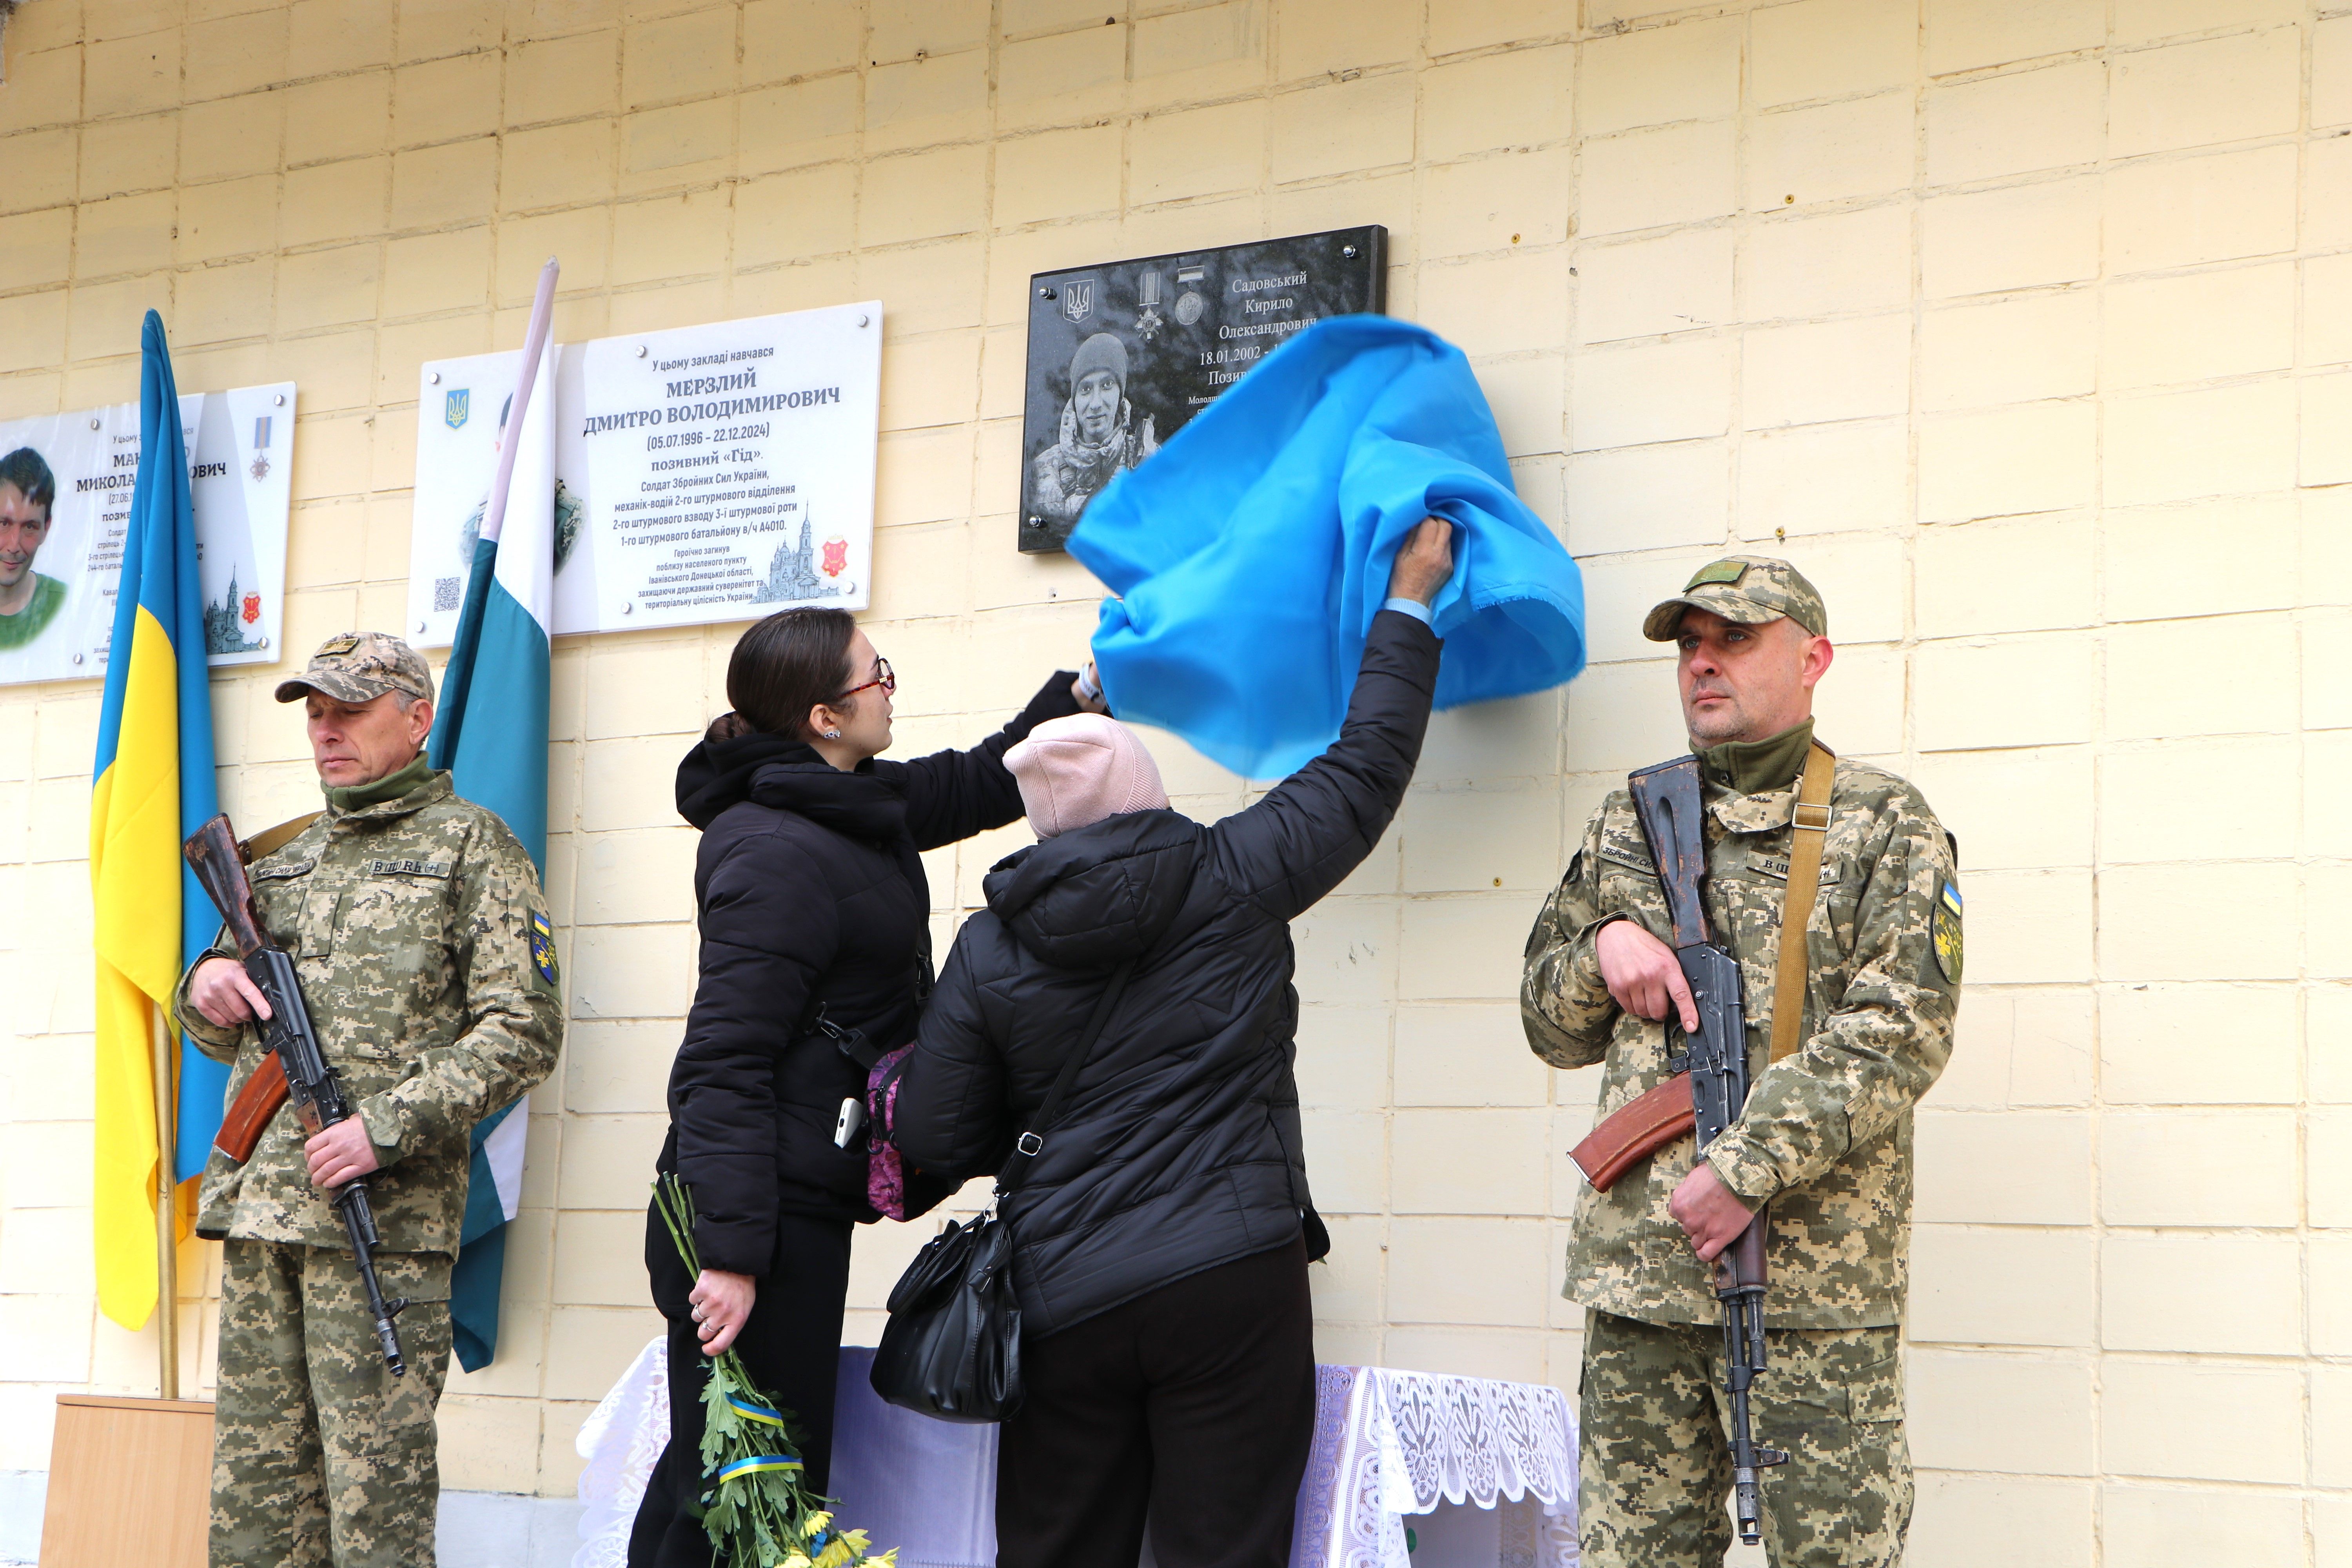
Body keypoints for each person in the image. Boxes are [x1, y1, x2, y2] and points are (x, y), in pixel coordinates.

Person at [891, 518, 1457, 1568]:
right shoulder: (1237, 872)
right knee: (1225, 1549)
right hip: (1232, 1274)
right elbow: (1369, 763)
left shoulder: (986, 949)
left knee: (1060, 1550)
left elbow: (932, 1126)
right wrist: (1411, 598)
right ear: (1146, 791)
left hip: (1063, 1295)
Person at [630, 609, 1109, 1568]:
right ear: (822, 716)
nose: (891, 684)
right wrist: (730, 1256)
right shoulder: (774, 849)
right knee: (744, 1496)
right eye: (874, 674)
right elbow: (722, 1064)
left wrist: (1081, 696)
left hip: (792, 1201)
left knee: (728, 1478)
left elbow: (975, 781)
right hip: (752, 1217)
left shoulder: (847, 803)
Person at [1519, 557, 1961, 1568]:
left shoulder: (1883, 821)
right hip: (1642, 1282)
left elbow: (1904, 1025)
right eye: (1689, 644)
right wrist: (1599, 954)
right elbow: (1548, 1023)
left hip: (1808, 1289)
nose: (1702, 663)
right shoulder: (1633, 817)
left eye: (1734, 639)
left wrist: (1742, 1166)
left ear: (1813, 660)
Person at [173, 632, 564, 1568]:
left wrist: (382, 1129)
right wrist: (203, 989)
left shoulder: (473, 847)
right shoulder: (283, 860)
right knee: (256, 1504)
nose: (325, 731)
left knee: (373, 1504)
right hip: (268, 1212)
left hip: (378, 1224)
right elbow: (226, 1027)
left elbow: (524, 1029)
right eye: (314, 712)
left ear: (417, 717)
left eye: (349, 709)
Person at [1028, 331, 1159, 529]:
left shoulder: (1150, 460)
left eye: (1107, 386)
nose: (1096, 403)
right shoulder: (1042, 468)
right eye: (1086, 390)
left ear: (1120, 394)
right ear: (1075, 399)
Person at [0, 446, 65, 649]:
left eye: (30, 527)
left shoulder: (62, 603)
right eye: (4, 524)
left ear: (46, 528)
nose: (14, 545)